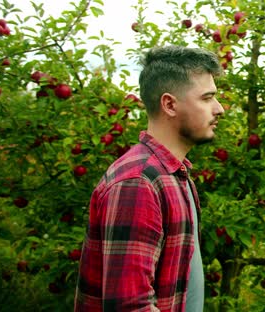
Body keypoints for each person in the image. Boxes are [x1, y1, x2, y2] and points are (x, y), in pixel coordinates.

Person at [74, 45, 224, 312]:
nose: (219, 108)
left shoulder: (176, 176)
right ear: (169, 104)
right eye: (206, 98)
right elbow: (130, 306)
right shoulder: (138, 182)